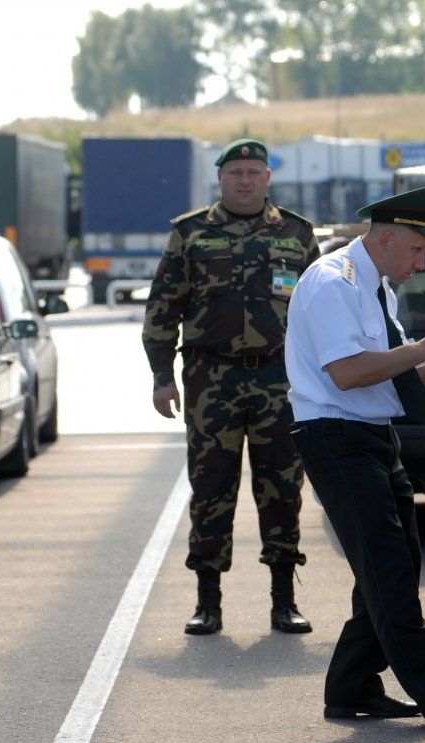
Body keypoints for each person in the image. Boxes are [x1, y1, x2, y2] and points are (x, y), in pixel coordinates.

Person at [285, 183, 425, 725]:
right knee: (386, 567)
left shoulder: (376, 285)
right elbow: (348, 373)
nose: (423, 260)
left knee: (399, 562)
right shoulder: (333, 283)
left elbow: (387, 373)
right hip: (335, 437)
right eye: (418, 249)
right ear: (384, 239)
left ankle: (352, 685)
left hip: (368, 434)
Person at [142, 138, 321, 636]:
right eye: (236, 172)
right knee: (211, 488)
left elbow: (319, 313)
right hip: (209, 379)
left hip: (279, 380)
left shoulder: (297, 235)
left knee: (283, 488)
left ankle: (284, 601)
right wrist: (161, 378)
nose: (245, 180)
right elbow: (163, 308)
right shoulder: (190, 233)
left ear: (268, 179)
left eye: (254, 172)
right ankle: (208, 602)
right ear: (220, 178)